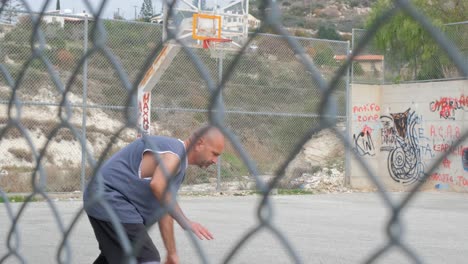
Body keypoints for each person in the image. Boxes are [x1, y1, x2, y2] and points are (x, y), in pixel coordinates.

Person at [83, 125, 225, 264]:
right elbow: (158, 185)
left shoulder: (178, 162)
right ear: (199, 143)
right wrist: (185, 221)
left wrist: (172, 253)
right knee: (146, 258)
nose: (215, 161)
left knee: (118, 255)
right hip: (109, 198)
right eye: (214, 153)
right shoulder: (175, 154)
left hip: (102, 196)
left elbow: (164, 209)